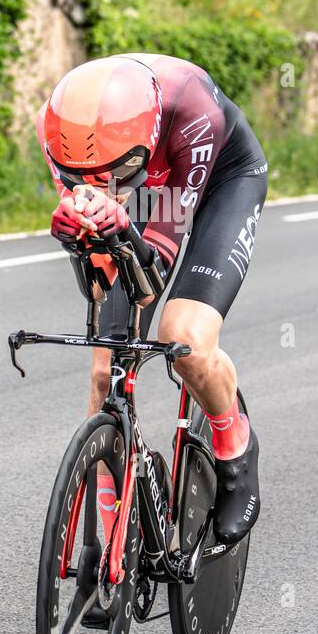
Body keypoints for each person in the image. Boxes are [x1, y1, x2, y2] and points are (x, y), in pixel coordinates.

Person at [36, 53, 267, 545]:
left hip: (216, 181)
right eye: (83, 177)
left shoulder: (194, 111)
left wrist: (120, 221)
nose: (98, 186)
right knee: (106, 371)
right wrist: (80, 240)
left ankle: (235, 447)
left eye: (116, 171)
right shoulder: (58, 130)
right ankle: (106, 547)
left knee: (184, 340)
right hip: (144, 193)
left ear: (144, 140)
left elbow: (155, 265)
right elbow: (99, 283)